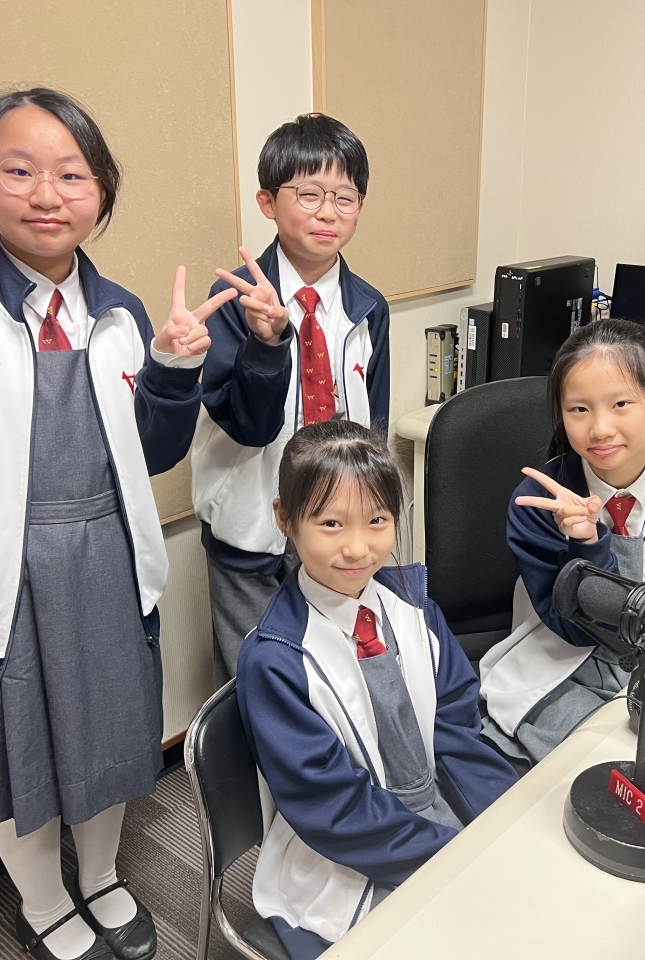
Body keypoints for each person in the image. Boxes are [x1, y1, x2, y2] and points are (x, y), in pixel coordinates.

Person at [0, 88, 236, 960]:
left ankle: (100, 878)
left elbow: (152, 453)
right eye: (19, 171)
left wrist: (174, 370)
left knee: (111, 738)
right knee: (15, 754)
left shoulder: (122, 314)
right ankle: (42, 903)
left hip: (107, 563)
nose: (46, 194)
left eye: (72, 174)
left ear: (101, 191)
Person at [236, 420, 518, 960]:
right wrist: (451, 857)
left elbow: (457, 730)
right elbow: (334, 811)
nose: (358, 547)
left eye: (377, 520)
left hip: (434, 811)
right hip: (344, 849)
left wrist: (504, 819)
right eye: (331, 523)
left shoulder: (414, 607)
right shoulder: (276, 660)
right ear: (285, 519)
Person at [192, 113, 390, 680]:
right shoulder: (235, 299)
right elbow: (248, 425)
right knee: (255, 676)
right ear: (267, 202)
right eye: (309, 194)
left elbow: (372, 429)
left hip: (339, 525)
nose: (328, 213)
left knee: (336, 672)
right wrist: (266, 342)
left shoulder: (368, 307)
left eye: (345, 197)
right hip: (252, 524)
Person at [479, 319, 645, 767]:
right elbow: (573, 628)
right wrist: (588, 545)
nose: (601, 428)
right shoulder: (538, 502)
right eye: (579, 409)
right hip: (556, 665)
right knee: (592, 765)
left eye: (621, 403)